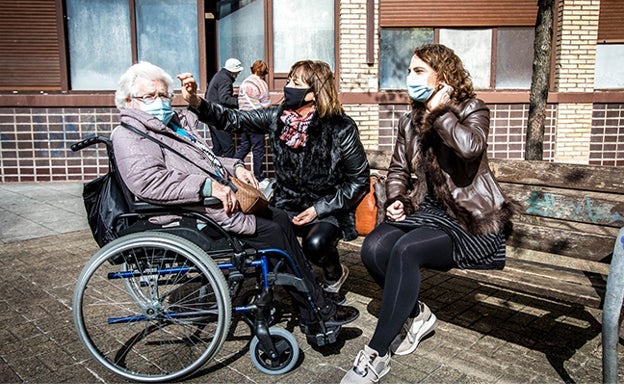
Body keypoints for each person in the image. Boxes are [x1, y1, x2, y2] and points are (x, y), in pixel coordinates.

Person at [110, 61, 359, 346]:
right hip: (193, 212)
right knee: (276, 232)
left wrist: (235, 166)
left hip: (260, 204)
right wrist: (206, 184)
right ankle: (316, 311)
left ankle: (313, 304)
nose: (160, 102)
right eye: (149, 97)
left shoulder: (167, 127)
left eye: (163, 96)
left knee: (277, 219)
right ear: (129, 101)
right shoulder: (131, 134)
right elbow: (149, 182)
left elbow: (203, 162)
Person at [340, 44, 519, 383]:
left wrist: (441, 113)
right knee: (374, 249)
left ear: (443, 78)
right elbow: (397, 168)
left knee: (406, 251)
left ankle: (375, 355)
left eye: (419, 71)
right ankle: (417, 314)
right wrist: (395, 197)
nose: (410, 78)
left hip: (468, 219)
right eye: (409, 71)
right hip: (427, 212)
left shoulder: (472, 109)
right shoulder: (409, 120)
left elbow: (470, 148)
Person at [178, 60, 370, 304]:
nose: (287, 87)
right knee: (261, 234)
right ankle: (302, 285)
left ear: (313, 93)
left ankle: (335, 275)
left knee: (315, 243)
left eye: (295, 83)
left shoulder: (341, 127)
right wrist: (196, 101)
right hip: (286, 201)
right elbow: (232, 119)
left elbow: (358, 180)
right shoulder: (276, 117)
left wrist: (318, 209)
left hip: (327, 205)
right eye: (288, 80)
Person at [233, 59, 272, 188]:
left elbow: (240, 101)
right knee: (258, 149)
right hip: (256, 119)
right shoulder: (261, 84)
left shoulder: (244, 83)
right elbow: (265, 105)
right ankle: (259, 177)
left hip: (244, 118)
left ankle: (231, 167)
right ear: (264, 72)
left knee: (245, 146)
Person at [204, 57, 242, 157]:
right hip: (218, 117)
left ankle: (211, 170)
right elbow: (224, 98)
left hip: (210, 115)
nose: (238, 74)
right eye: (238, 72)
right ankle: (229, 171)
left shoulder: (219, 76)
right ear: (233, 71)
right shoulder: (225, 79)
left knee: (217, 149)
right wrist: (240, 102)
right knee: (228, 148)